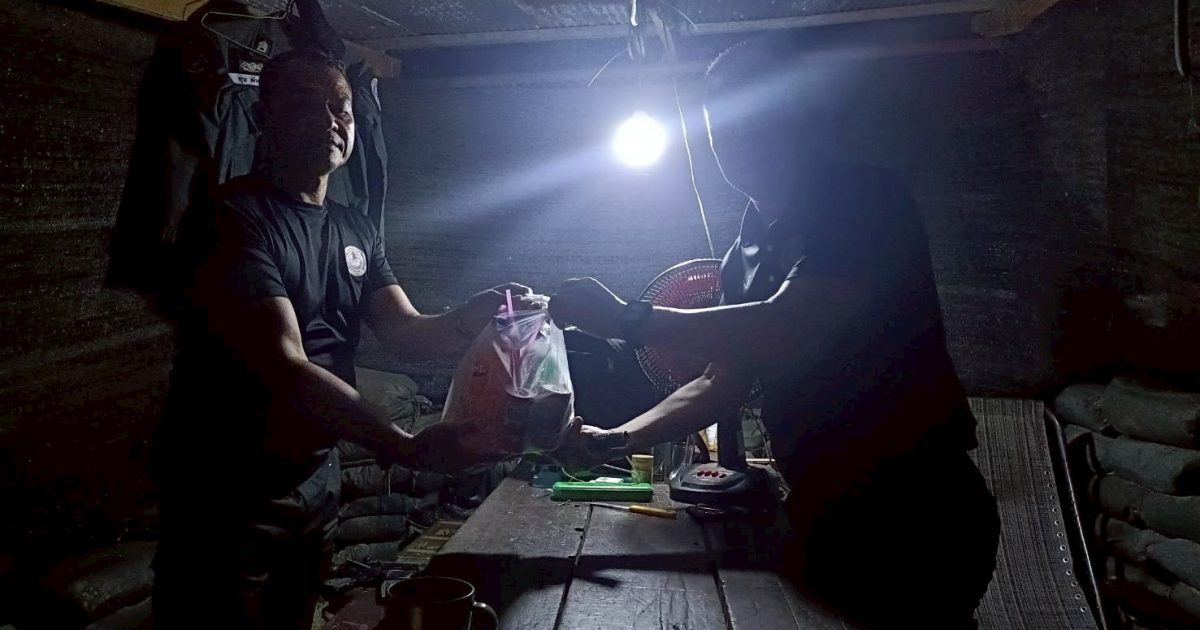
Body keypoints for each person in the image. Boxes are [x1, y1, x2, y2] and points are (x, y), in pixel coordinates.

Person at [550, 39, 999, 629]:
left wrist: (627, 320)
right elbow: (721, 381)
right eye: (723, 124)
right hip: (821, 506)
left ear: (800, 117)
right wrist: (615, 439)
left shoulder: (862, 201)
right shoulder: (743, 254)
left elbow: (788, 328)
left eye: (760, 117)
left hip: (916, 507)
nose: (739, 140)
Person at [148, 48, 531, 629]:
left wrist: (474, 317)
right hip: (228, 481)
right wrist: (403, 445)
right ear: (265, 115)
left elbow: (404, 331)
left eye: (342, 108)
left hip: (315, 474)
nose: (333, 121)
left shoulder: (354, 226)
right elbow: (285, 364)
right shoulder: (232, 217)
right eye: (310, 104)